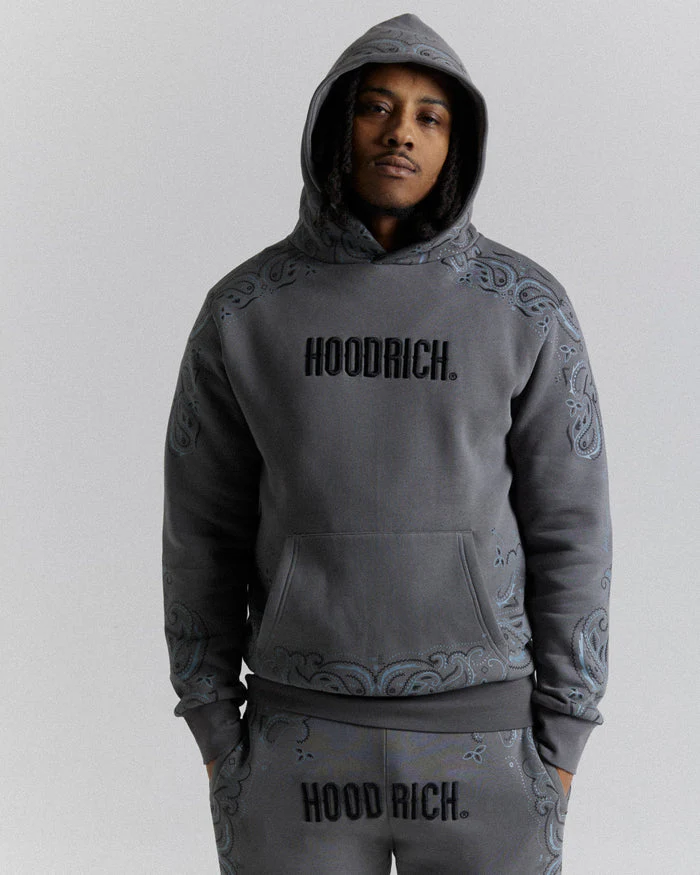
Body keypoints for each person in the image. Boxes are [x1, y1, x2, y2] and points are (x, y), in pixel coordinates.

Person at [162, 12, 612, 874]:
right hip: (297, 739)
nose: (401, 131)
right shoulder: (244, 310)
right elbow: (199, 532)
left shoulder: (526, 307)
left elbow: (573, 529)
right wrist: (216, 731)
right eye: (376, 106)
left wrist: (562, 741)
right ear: (336, 123)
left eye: (429, 116)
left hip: (486, 744)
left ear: (456, 143)